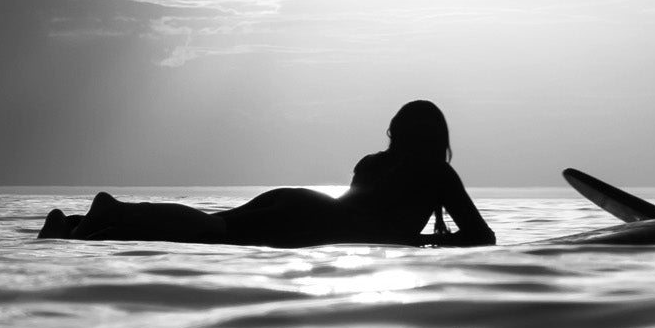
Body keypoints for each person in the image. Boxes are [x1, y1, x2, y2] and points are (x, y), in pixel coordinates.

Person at [38, 99, 497, 248]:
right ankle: (118, 211)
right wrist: (423, 243)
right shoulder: (436, 173)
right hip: (311, 218)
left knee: (212, 224)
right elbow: (483, 237)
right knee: (213, 232)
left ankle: (77, 227)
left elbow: (366, 210)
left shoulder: (372, 163)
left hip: (301, 202)